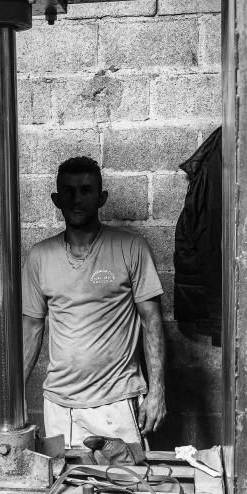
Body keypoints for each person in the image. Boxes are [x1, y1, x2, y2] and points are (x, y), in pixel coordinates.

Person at [22, 156, 166, 448]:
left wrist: (158, 391)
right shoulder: (40, 256)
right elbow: (32, 329)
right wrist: (13, 399)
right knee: (65, 492)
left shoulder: (130, 246)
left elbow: (152, 320)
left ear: (101, 198)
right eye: (68, 191)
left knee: (126, 488)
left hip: (117, 401)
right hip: (61, 407)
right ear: (56, 199)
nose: (77, 199)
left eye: (86, 190)